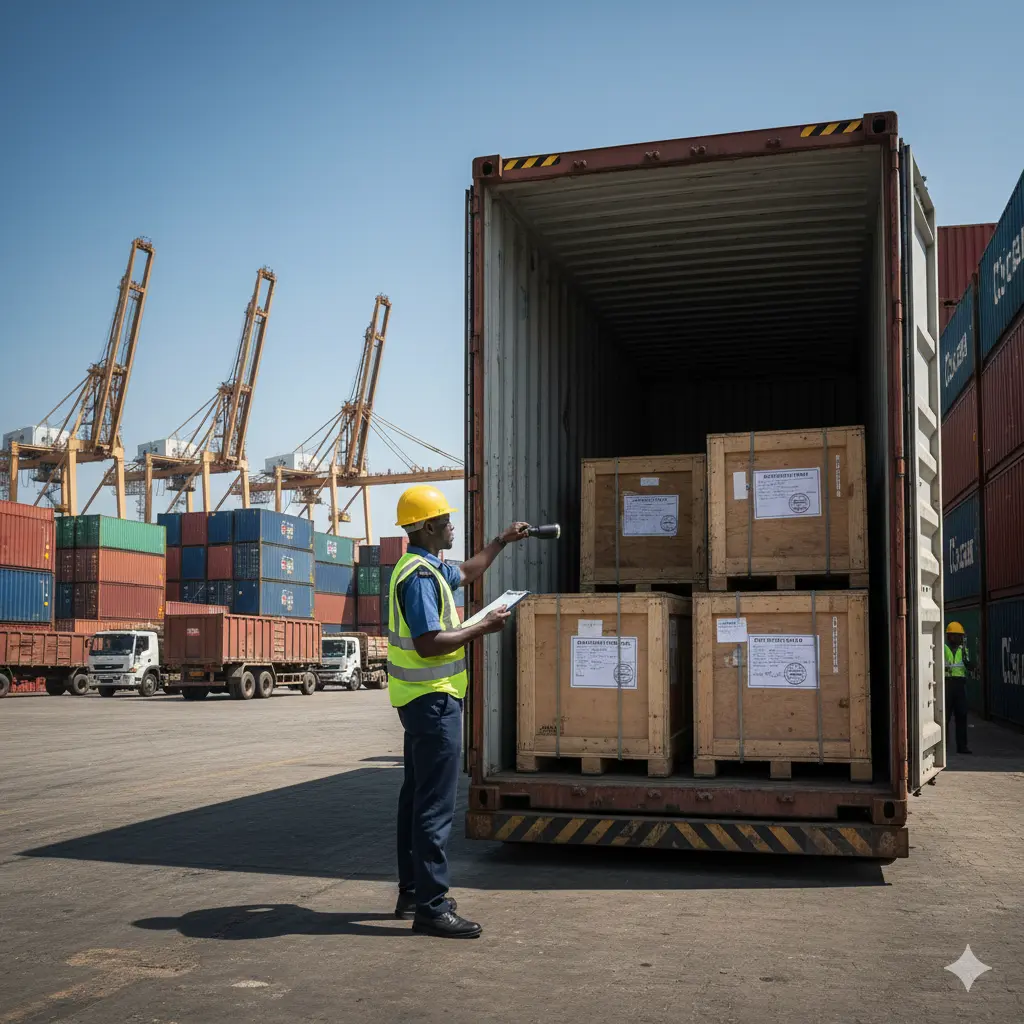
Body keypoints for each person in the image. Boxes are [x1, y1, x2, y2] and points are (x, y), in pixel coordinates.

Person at [387, 484, 529, 938]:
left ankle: (413, 893)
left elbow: (467, 572)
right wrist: (482, 627)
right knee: (434, 806)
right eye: (447, 521)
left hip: (421, 701)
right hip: (433, 701)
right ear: (428, 527)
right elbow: (429, 644)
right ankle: (431, 908)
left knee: (416, 798)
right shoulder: (419, 579)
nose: (453, 526)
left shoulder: (424, 566)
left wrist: (502, 541)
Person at [944, 621, 973, 755]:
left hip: (960, 685)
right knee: (945, 717)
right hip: (947, 684)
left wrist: (970, 663)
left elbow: (969, 666)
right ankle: (943, 747)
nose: (961, 638)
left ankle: (962, 746)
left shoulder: (963, 650)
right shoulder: (943, 648)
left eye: (961, 636)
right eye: (958, 636)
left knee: (962, 715)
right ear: (950, 636)